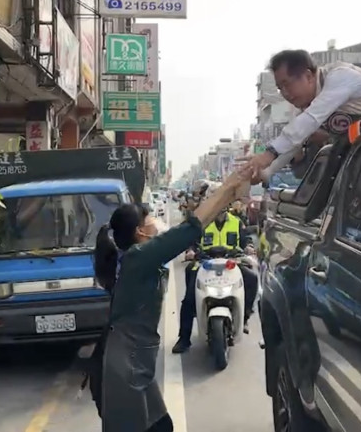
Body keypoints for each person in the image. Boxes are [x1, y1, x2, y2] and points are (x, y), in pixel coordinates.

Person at [90, 168, 251, 432]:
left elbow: (193, 227)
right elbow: (189, 229)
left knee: (162, 426)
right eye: (150, 217)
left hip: (136, 359)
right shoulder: (139, 257)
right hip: (126, 365)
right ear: (141, 232)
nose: (156, 219)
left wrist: (229, 193)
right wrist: (227, 187)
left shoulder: (136, 257)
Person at [242, 49, 361, 183]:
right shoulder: (305, 106)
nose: (285, 93)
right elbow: (295, 141)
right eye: (280, 88)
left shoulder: (341, 77)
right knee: (346, 178)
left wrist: (268, 154)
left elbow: (309, 121)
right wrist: (265, 173)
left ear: (308, 76)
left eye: (287, 84)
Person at [172, 204, 258, 353]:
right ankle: (184, 338)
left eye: (223, 208)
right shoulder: (202, 223)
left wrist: (249, 248)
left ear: (227, 207)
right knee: (189, 297)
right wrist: (191, 250)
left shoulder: (236, 222)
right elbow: (192, 242)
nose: (219, 212)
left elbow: (246, 240)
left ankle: (244, 317)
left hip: (231, 261)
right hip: (205, 262)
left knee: (252, 278)